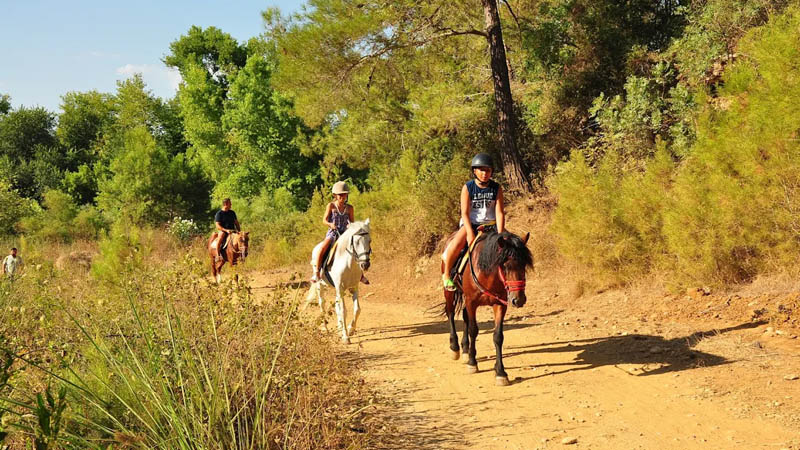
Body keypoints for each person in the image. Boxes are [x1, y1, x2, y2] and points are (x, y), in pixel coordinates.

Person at [441, 153, 505, 291]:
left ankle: (511, 282)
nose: (484, 173)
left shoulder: (496, 188)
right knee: (456, 244)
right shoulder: (468, 187)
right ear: (474, 171)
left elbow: (499, 212)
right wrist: (470, 232)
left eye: (488, 170)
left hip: (491, 225)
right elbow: (464, 213)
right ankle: (446, 275)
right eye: (481, 170)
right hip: (471, 223)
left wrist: (500, 233)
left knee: (512, 246)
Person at [311, 181, 369, 284]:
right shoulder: (331, 206)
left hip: (345, 234)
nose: (342, 196)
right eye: (340, 194)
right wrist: (330, 224)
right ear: (335, 195)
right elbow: (324, 220)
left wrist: (350, 226)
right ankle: (317, 272)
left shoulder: (350, 208)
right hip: (333, 233)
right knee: (323, 247)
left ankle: (360, 275)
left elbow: (352, 222)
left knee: (356, 249)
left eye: (344, 194)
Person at [213, 198, 241, 262]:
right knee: (220, 238)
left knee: (242, 239)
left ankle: (241, 255)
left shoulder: (232, 213)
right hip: (223, 231)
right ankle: (218, 255)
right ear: (225, 204)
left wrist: (239, 231)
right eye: (230, 203)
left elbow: (236, 223)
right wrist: (226, 230)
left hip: (233, 231)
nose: (231, 205)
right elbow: (217, 225)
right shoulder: (219, 214)